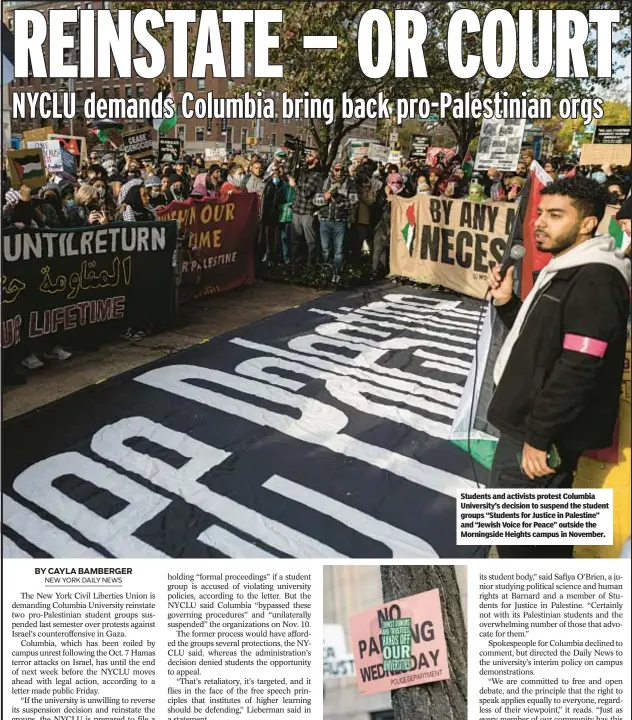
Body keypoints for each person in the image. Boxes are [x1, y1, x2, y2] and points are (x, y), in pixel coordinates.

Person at [486, 175, 631, 559]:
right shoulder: (567, 268)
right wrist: (506, 304)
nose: (539, 223)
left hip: (537, 436)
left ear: (588, 223)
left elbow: (579, 367)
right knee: (532, 544)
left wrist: (539, 434)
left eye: (555, 215)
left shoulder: (596, 278)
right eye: (539, 213)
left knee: (524, 551)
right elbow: (543, 344)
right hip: (530, 426)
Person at [313, 162, 358, 280]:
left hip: (340, 221)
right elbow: (314, 201)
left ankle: (336, 273)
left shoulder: (349, 183)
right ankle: (326, 272)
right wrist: (324, 198)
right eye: (337, 170)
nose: (339, 172)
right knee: (325, 249)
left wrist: (339, 201)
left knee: (339, 250)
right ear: (332, 170)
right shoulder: (324, 182)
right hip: (325, 220)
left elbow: (354, 201)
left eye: (341, 170)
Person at [290, 149, 324, 265]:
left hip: (307, 212)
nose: (307, 156)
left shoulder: (317, 175)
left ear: (316, 160)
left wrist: (294, 185)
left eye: (311, 155)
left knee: (310, 241)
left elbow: (306, 192)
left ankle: (310, 265)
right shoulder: (304, 171)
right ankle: (296, 263)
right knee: (295, 240)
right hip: (297, 210)